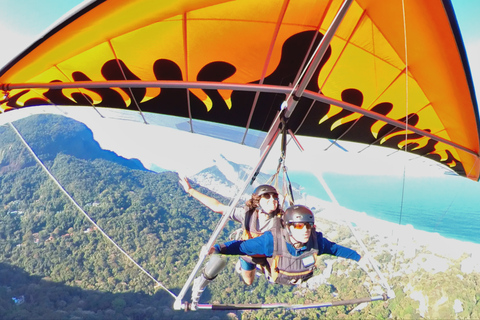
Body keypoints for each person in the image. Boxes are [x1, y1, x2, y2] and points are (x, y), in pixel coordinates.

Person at [210, 204, 361, 285]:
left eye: (309, 225)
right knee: (248, 265)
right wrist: (217, 248)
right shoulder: (271, 241)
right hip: (275, 274)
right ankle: (251, 264)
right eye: (299, 226)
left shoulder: (317, 242)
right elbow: (240, 247)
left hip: (298, 276)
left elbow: (336, 249)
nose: (305, 230)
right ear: (288, 227)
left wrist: (358, 258)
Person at [179, 176, 282, 285]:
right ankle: (249, 267)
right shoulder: (247, 215)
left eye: (274, 196)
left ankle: (264, 269)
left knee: (276, 278)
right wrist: (191, 191)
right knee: (248, 281)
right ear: (258, 201)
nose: (272, 199)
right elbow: (217, 206)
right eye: (267, 196)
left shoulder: (282, 220)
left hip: (269, 255)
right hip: (248, 254)